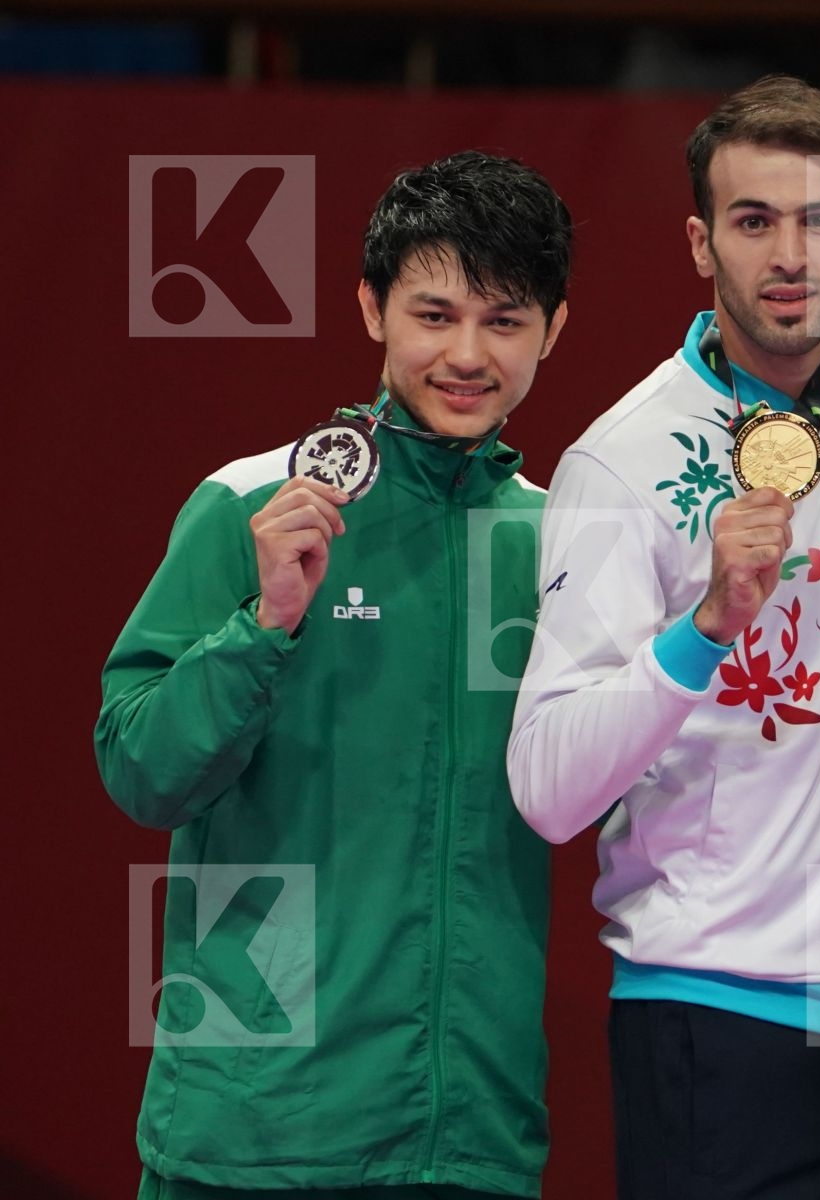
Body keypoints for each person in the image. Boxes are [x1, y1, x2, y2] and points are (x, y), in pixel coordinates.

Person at [506, 75, 820, 1200]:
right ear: (701, 242)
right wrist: (704, 628)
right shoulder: (619, 460)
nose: (791, 256)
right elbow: (548, 788)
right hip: (714, 1003)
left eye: (818, 220)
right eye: (755, 222)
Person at [97, 151, 572, 1199]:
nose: (466, 353)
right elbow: (141, 771)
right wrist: (263, 623)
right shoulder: (248, 506)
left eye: (504, 321)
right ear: (371, 309)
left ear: (554, 330)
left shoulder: (559, 541)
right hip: (256, 1127)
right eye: (433, 314)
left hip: (469, 1133)